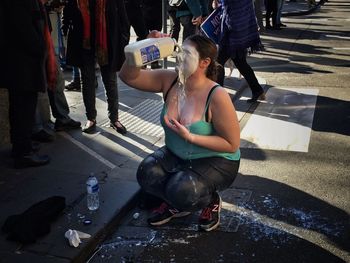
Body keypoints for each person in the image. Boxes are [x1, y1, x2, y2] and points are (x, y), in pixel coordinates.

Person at [119, 32, 240, 232]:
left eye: (187, 53)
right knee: (147, 173)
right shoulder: (170, 80)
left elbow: (231, 144)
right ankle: (175, 203)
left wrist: (190, 136)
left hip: (216, 160)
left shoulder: (217, 95)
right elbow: (128, 77)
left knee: (183, 191)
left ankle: (209, 200)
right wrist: (146, 45)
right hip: (178, 155)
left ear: (204, 62)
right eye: (179, 51)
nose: (179, 57)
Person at [62, 0, 130, 134]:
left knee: (110, 80)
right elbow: (67, 14)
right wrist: (65, 31)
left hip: (107, 41)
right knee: (87, 81)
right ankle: (91, 119)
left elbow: (123, 17)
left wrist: (123, 39)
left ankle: (114, 119)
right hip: (84, 42)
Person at [1, 0, 52, 168]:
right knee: (23, 108)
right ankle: (23, 152)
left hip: (21, 62)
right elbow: (23, 29)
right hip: (21, 63)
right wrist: (40, 48)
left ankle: (22, 146)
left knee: (22, 107)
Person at [215, 0, 266, 103]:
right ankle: (258, 90)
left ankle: (219, 97)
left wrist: (218, 4)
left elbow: (228, 8)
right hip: (240, 32)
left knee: (218, 63)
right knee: (240, 63)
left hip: (231, 34)